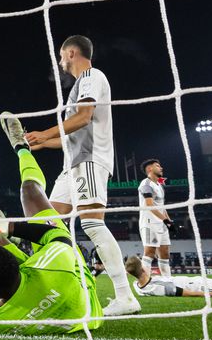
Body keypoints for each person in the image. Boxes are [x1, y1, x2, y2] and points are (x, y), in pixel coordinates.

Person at [0, 117, 101, 335]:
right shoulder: (57, 262)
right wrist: (3, 227)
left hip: (32, 273)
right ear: (18, 265)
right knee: (30, 191)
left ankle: (6, 236)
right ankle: (22, 148)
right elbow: (56, 235)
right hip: (62, 269)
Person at [19, 35, 135, 316]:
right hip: (71, 165)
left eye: (61, 56)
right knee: (48, 224)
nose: (60, 62)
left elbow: (83, 118)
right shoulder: (77, 88)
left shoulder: (91, 76)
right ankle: (59, 285)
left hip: (90, 160)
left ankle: (125, 296)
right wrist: (42, 142)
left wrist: (45, 132)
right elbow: (73, 133)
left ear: (71, 52)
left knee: (92, 225)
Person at [137, 158, 173, 277]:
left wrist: (169, 221)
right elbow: (149, 205)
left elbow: (162, 206)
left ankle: (168, 281)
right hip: (149, 223)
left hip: (161, 223)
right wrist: (165, 219)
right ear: (150, 169)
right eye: (158, 166)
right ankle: (144, 282)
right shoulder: (145, 184)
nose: (161, 168)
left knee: (165, 253)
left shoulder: (160, 185)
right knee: (150, 252)